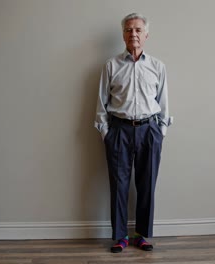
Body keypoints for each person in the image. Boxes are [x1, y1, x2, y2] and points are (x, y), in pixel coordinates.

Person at [94, 13, 173, 253]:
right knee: (119, 185)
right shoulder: (111, 65)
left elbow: (164, 103)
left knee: (146, 184)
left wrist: (160, 131)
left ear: (146, 35)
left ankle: (142, 234)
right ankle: (120, 236)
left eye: (138, 30)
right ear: (123, 35)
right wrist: (106, 133)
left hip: (149, 131)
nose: (133, 34)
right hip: (119, 131)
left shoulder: (158, 66)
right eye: (129, 30)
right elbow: (101, 103)